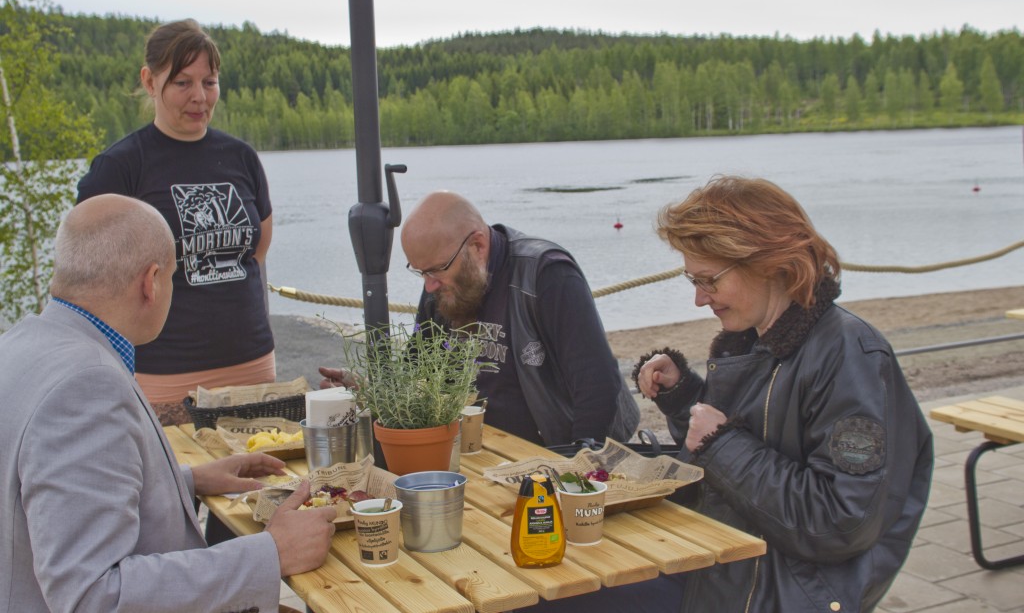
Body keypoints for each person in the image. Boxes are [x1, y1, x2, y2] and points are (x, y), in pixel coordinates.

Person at [0, 194, 335, 612]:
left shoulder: (21, 344)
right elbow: (93, 596)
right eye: (174, 277)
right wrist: (272, 552)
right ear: (151, 281)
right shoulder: (86, 385)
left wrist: (184, 480)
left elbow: (52, 493)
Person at [633, 176, 933, 612]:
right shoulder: (756, 339)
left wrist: (721, 443)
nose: (700, 299)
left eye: (709, 280)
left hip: (784, 592)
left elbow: (841, 522)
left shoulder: (852, 355)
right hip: (730, 564)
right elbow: (753, 451)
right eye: (691, 280)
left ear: (771, 263)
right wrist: (684, 398)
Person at [322, 190, 639, 446]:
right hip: (479, 453)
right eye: (421, 272)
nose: (428, 284)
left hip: (556, 453)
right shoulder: (442, 284)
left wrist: (576, 468)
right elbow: (415, 371)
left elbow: (597, 383)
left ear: (477, 246)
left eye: (435, 270)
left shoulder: (547, 275)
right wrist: (367, 389)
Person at [77, 19, 274, 426]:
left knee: (263, 485)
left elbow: (257, 251)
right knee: (174, 487)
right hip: (163, 373)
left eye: (210, 81)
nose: (199, 97)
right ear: (150, 81)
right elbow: (90, 277)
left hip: (253, 364)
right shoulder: (121, 167)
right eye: (182, 82)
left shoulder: (241, 158)